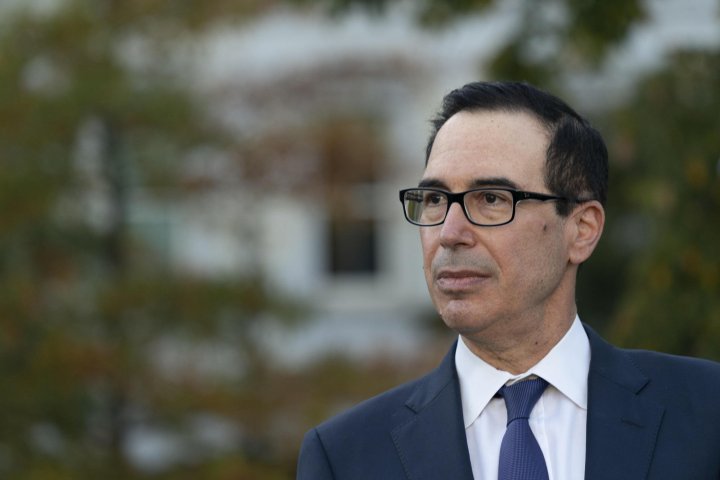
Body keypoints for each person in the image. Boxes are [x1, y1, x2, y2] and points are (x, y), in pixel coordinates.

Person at [296, 81, 720, 479]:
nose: (449, 233)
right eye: (435, 200)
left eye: (492, 199)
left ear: (582, 229)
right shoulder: (345, 456)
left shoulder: (706, 413)